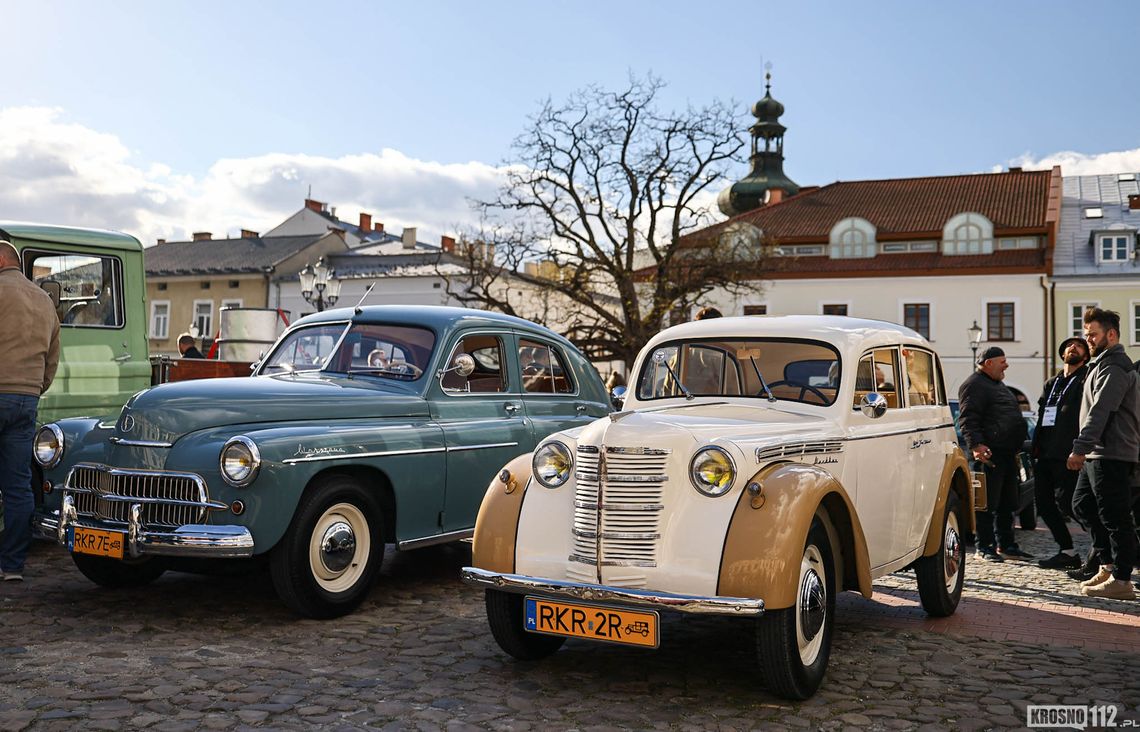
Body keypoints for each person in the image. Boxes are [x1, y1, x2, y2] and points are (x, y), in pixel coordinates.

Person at [1065, 308, 1139, 599]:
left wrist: (1079, 448)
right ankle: (1107, 565)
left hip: (1113, 452)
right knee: (1082, 504)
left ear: (1111, 334)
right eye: (1086, 334)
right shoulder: (1100, 365)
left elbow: (1101, 411)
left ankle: (1122, 580)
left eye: (1093, 334)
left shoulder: (1116, 366)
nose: (1088, 340)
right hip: (1098, 453)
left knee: (1116, 516)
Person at [0, 237, 61, 582]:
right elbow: (52, 358)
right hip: (26, 398)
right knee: (18, 485)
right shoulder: (43, 300)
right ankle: (12, 566)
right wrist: (35, 388)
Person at [958, 346, 1031, 562]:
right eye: (1003, 361)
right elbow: (968, 419)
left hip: (1007, 455)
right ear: (988, 362)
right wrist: (977, 445)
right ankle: (985, 546)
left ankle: (1006, 545)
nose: (1006, 365)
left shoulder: (997, 385)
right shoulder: (974, 385)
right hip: (988, 456)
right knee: (986, 504)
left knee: (1007, 503)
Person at [1033, 337, 1090, 569]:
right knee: (1044, 504)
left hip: (1070, 453)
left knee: (1071, 504)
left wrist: (1082, 449)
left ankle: (1105, 549)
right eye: (1069, 345)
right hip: (1045, 453)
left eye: (1078, 346)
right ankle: (1067, 550)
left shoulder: (1086, 378)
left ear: (1085, 356)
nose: (1072, 348)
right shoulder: (1052, 382)